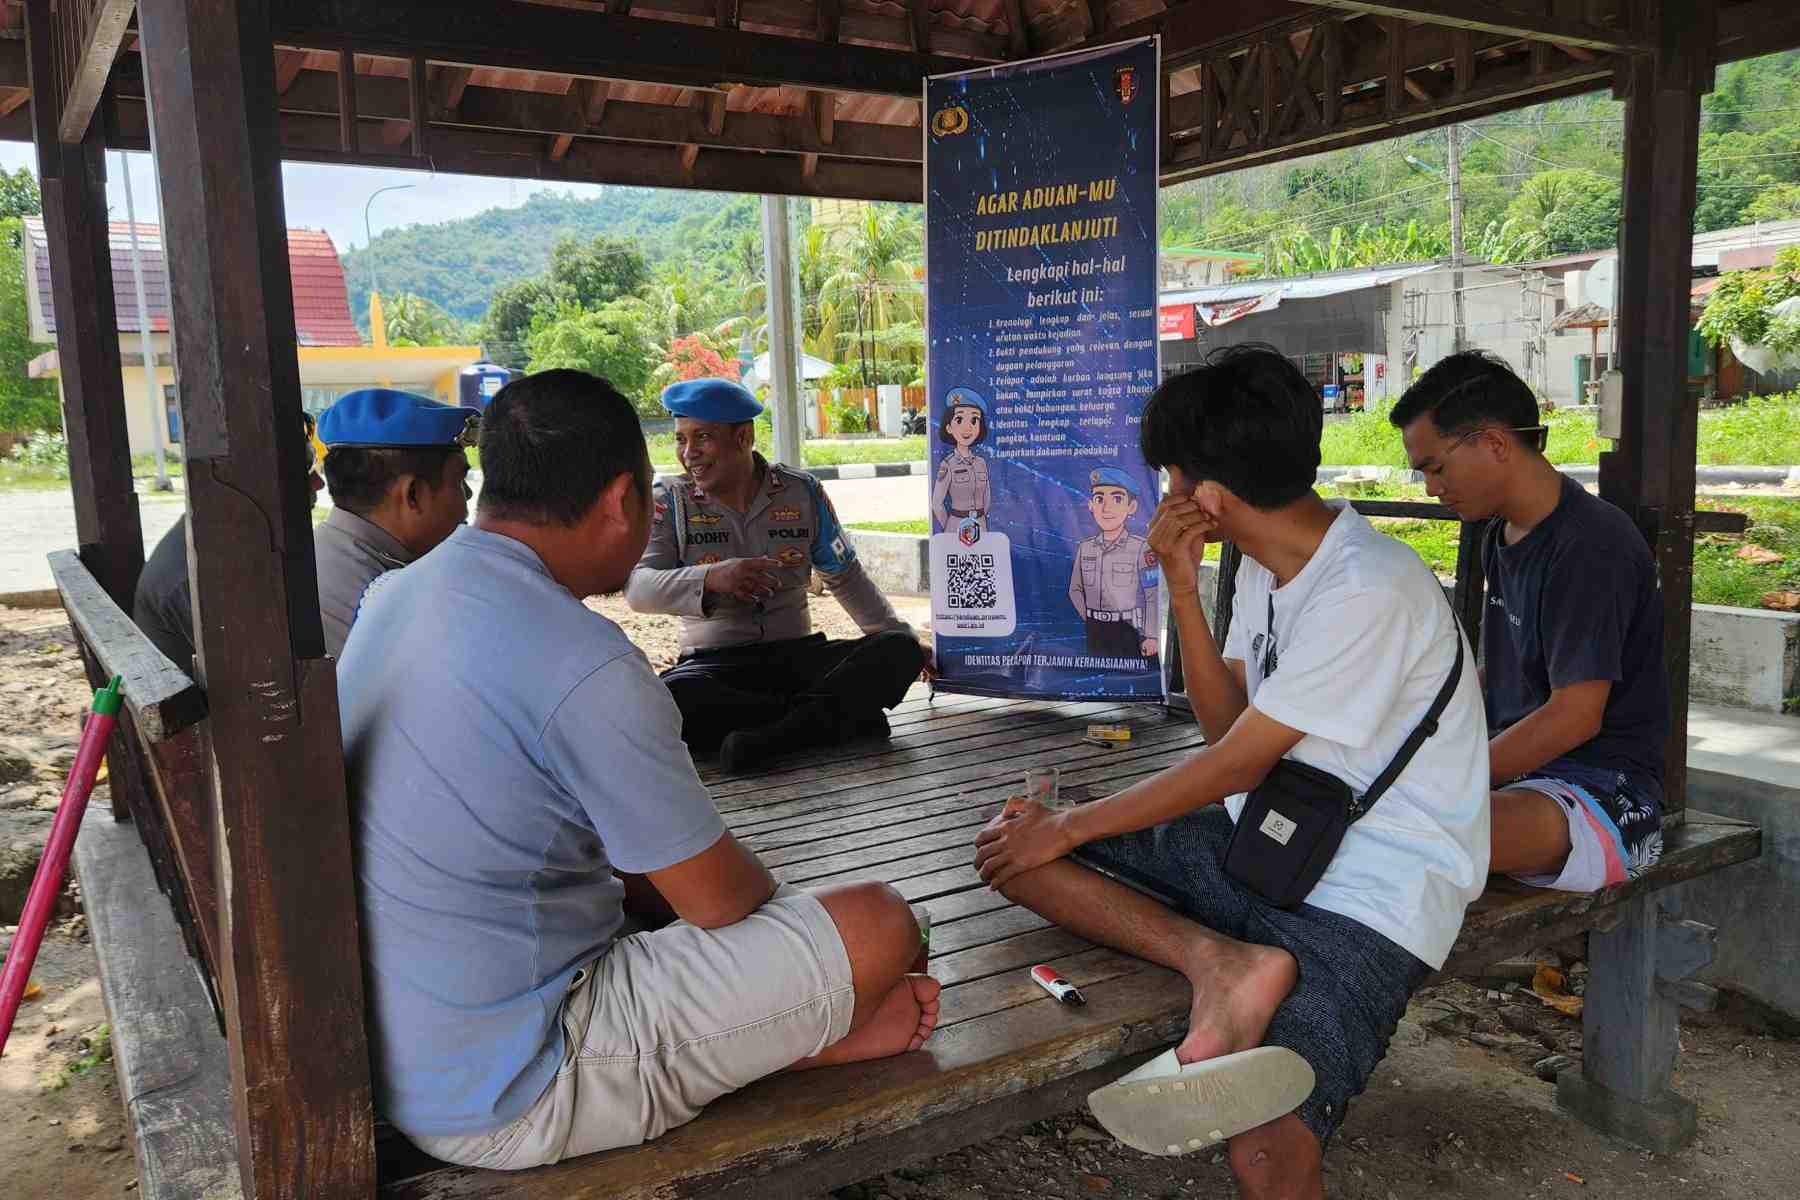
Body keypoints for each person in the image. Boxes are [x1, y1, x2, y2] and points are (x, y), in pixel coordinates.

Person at [338, 369, 939, 1171]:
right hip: (522, 1084)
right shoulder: (582, 659)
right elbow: (720, 901)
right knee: (882, 925)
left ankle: (776, 1035)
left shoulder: (394, 595)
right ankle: (780, 1043)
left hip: (420, 1047)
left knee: (690, 895)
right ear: (622, 499)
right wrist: (791, 923)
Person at [973, 345, 1489, 1200]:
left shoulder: (1371, 587)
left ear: (1205, 495)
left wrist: (1073, 822)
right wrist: (1183, 584)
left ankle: (1240, 972)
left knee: (1265, 1149)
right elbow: (1226, 727)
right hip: (1265, 843)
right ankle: (1218, 962)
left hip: (1373, 895)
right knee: (1009, 849)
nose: (1166, 498)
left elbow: (1234, 761)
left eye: (1172, 479)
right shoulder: (1269, 565)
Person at [1390, 351, 1667, 892]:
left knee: (1400, 830)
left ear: (1493, 443)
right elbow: (1502, 675)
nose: (1430, 489)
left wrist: (1452, 778)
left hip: (1603, 794)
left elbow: (1576, 716)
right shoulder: (1505, 531)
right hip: (1522, 778)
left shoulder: (1590, 545)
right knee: (1360, 815)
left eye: (1436, 468)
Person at [625, 378, 928, 774]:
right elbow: (638, 589)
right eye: (681, 440)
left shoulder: (801, 492)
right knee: (669, 697)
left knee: (898, 648)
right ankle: (828, 720)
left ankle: (774, 735)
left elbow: (844, 576)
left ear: (742, 437)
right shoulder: (671, 502)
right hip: (716, 668)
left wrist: (901, 637)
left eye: (702, 438)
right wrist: (711, 578)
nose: (689, 453)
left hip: (801, 657)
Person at [134, 410, 323, 672]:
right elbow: (262, 676)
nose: (318, 483)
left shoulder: (227, 536)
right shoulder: (203, 572)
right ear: (258, 480)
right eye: (303, 471)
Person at [314, 388, 474, 656]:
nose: (468, 494)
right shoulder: (381, 594)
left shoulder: (325, 554)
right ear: (413, 494)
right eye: (459, 482)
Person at [1068, 466, 1160, 660]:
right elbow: (1074, 590)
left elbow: (1152, 594)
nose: (1106, 508)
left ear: (1132, 507)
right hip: (1095, 630)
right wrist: (1091, 619)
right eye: (1099, 499)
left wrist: (1151, 636)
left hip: (1129, 631)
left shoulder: (1141, 548)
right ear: (1091, 505)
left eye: (1117, 499)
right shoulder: (1085, 548)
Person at [930, 388, 992, 533]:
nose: (967, 427)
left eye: (974, 420)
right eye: (959, 419)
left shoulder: (981, 463)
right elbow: (937, 503)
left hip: (981, 525)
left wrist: (979, 517)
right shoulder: (948, 464)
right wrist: (950, 527)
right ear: (949, 428)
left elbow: (987, 498)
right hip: (957, 526)